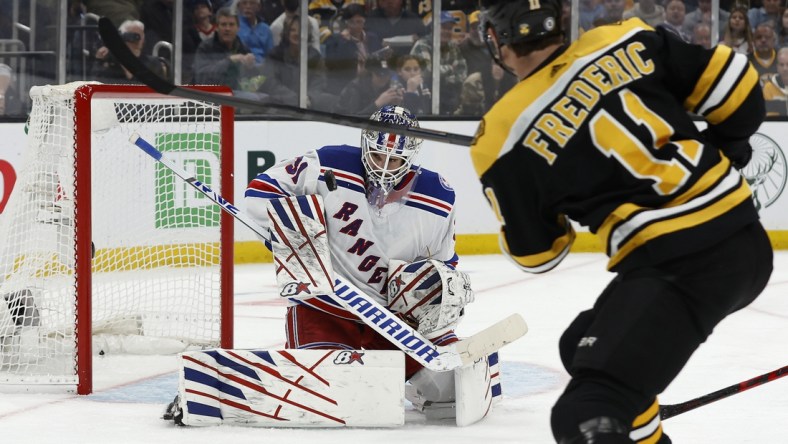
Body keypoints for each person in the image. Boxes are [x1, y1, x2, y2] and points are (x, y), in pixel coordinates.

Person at [473, 1, 772, 443]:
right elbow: (739, 86)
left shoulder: (500, 136)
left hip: (682, 265)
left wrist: (557, 179)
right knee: (581, 345)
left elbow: (539, 254)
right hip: (742, 239)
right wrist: (727, 147)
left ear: (497, 41)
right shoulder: (624, 37)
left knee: (583, 412)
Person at [244, 104, 474, 410]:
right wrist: (292, 235)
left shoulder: (438, 196)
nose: (384, 167)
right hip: (326, 305)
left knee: (452, 387)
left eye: (396, 160)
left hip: (393, 318)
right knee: (330, 393)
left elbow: (446, 265)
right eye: (379, 156)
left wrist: (430, 293)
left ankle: (418, 386)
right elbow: (260, 192)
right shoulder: (328, 162)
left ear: (411, 156)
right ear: (365, 142)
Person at [410, 11, 468, 114]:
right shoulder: (422, 45)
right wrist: (450, 68)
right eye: (443, 27)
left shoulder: (452, 46)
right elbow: (428, 72)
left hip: (448, 97)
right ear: (433, 28)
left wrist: (444, 78)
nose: (447, 31)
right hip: (424, 98)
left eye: (449, 28)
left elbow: (462, 72)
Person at [193, 7, 259, 92]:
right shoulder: (205, 47)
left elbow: (252, 81)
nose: (227, 29)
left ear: (238, 28)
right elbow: (201, 79)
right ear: (216, 28)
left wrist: (251, 68)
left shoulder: (242, 48)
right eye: (223, 24)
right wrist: (229, 61)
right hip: (213, 95)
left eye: (231, 25)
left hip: (237, 95)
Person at [93, 19, 169, 83]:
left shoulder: (153, 64)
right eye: (131, 36)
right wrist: (99, 60)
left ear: (143, 41)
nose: (135, 40)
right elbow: (96, 84)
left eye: (138, 37)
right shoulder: (109, 63)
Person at [236, 0, 274, 64]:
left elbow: (270, 55)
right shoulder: (234, 25)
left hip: (262, 68)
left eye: (252, 3)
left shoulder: (265, 29)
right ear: (239, 7)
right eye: (244, 3)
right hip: (240, 66)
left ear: (259, 7)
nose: (248, 7)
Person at [763, 47, 788, 116]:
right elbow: (770, 115)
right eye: (781, 65)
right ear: (777, 67)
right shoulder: (769, 87)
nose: (785, 68)